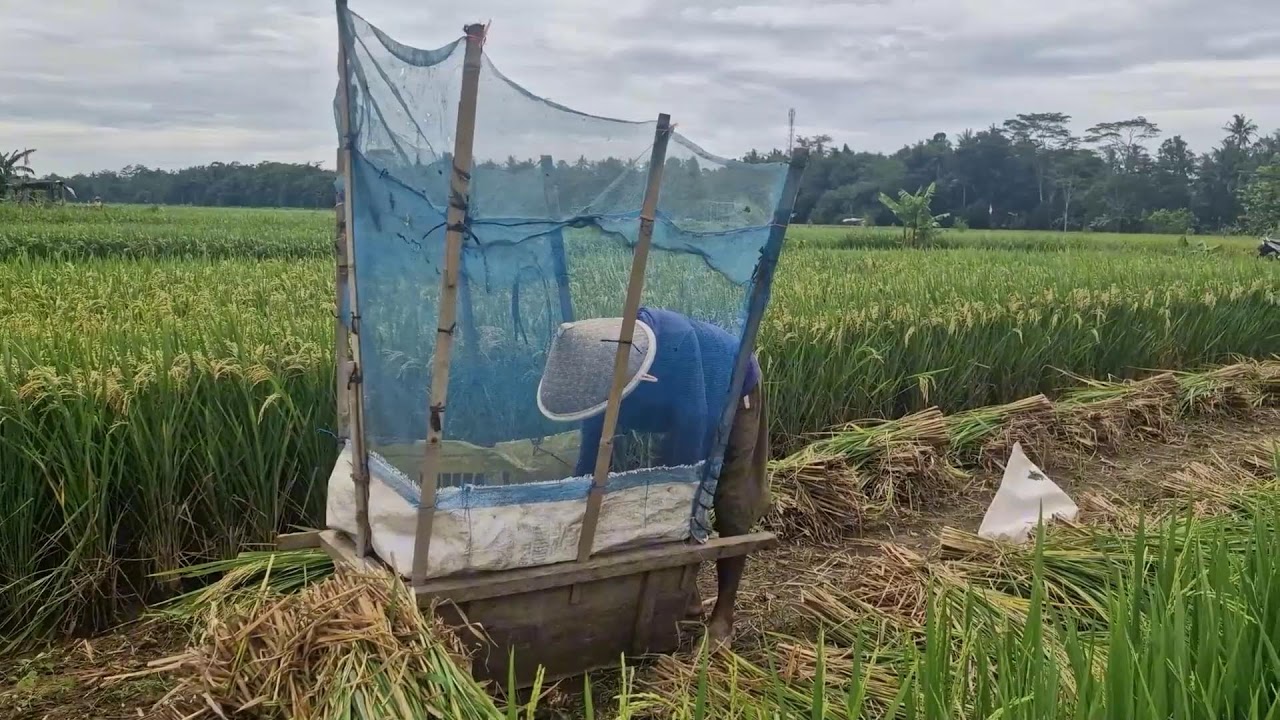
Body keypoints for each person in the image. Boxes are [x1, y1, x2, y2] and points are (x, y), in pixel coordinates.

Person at [536, 306, 769, 651]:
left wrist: (672, 497)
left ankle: (723, 615)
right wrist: (575, 510)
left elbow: (693, 436)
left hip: (730, 384)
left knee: (726, 500)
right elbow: (591, 457)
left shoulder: (675, 346)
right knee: (665, 502)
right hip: (680, 404)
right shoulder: (597, 372)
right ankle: (686, 601)